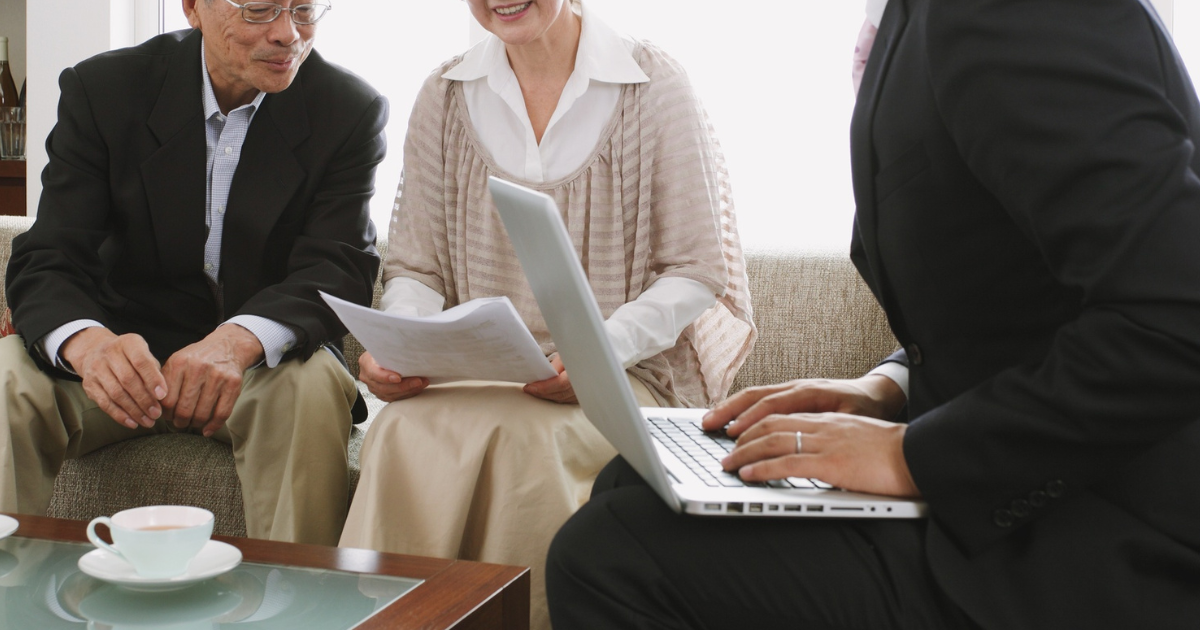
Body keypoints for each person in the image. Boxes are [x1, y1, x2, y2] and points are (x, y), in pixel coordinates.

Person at [545, 0, 1200, 627]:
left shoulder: (1016, 14)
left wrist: (913, 458)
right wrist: (886, 388)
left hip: (1106, 538)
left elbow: (1175, 317)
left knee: (610, 556)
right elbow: (1016, 293)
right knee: (633, 481)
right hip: (1017, 493)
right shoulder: (920, 20)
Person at [337, 1, 755, 627]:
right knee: (400, 429)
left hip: (622, 375)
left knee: (528, 443)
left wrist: (597, 352)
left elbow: (695, 269)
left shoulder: (652, 85)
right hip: (480, 373)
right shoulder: (446, 93)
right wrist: (407, 344)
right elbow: (418, 269)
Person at [1, 0, 388, 546]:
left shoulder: (348, 109)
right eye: (260, 10)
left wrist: (236, 343)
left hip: (259, 370)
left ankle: (303, 595)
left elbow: (338, 266)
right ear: (192, 8)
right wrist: (89, 346)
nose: (288, 34)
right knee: (8, 377)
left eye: (303, 9)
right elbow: (49, 255)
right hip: (123, 365)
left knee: (310, 386)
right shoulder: (104, 89)